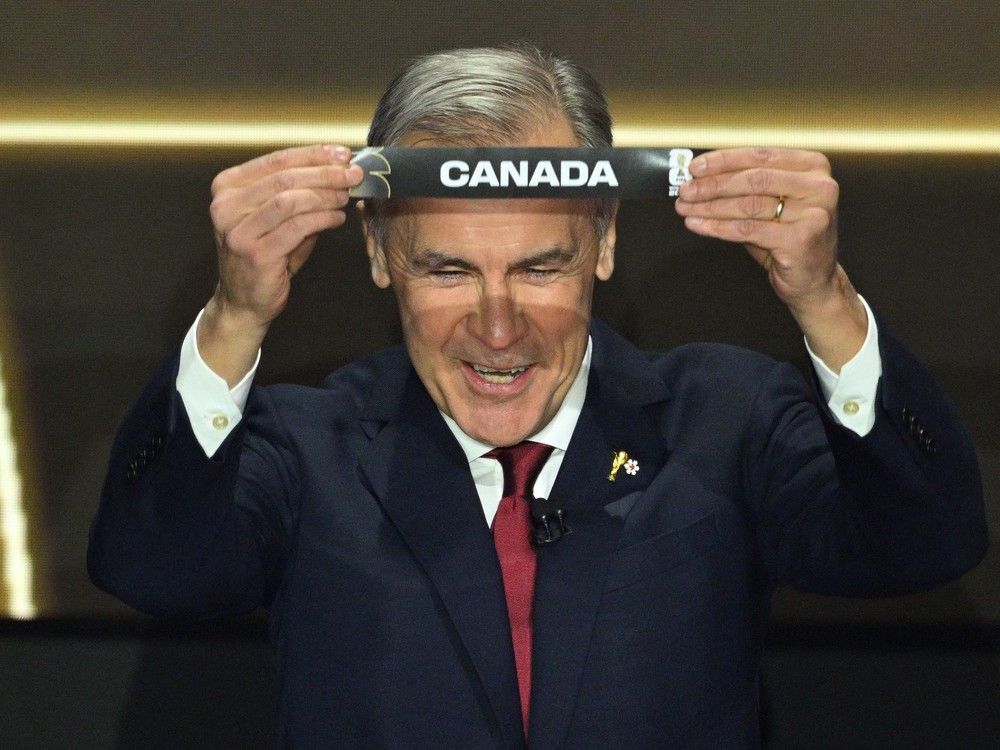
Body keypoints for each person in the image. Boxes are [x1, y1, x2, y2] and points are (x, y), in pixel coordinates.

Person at [88, 45, 987, 749]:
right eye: (446, 269)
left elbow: (924, 544)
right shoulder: (302, 444)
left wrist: (824, 300)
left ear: (601, 242)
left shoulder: (723, 417)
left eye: (540, 266)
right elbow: (156, 570)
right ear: (375, 252)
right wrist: (236, 317)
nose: (498, 326)